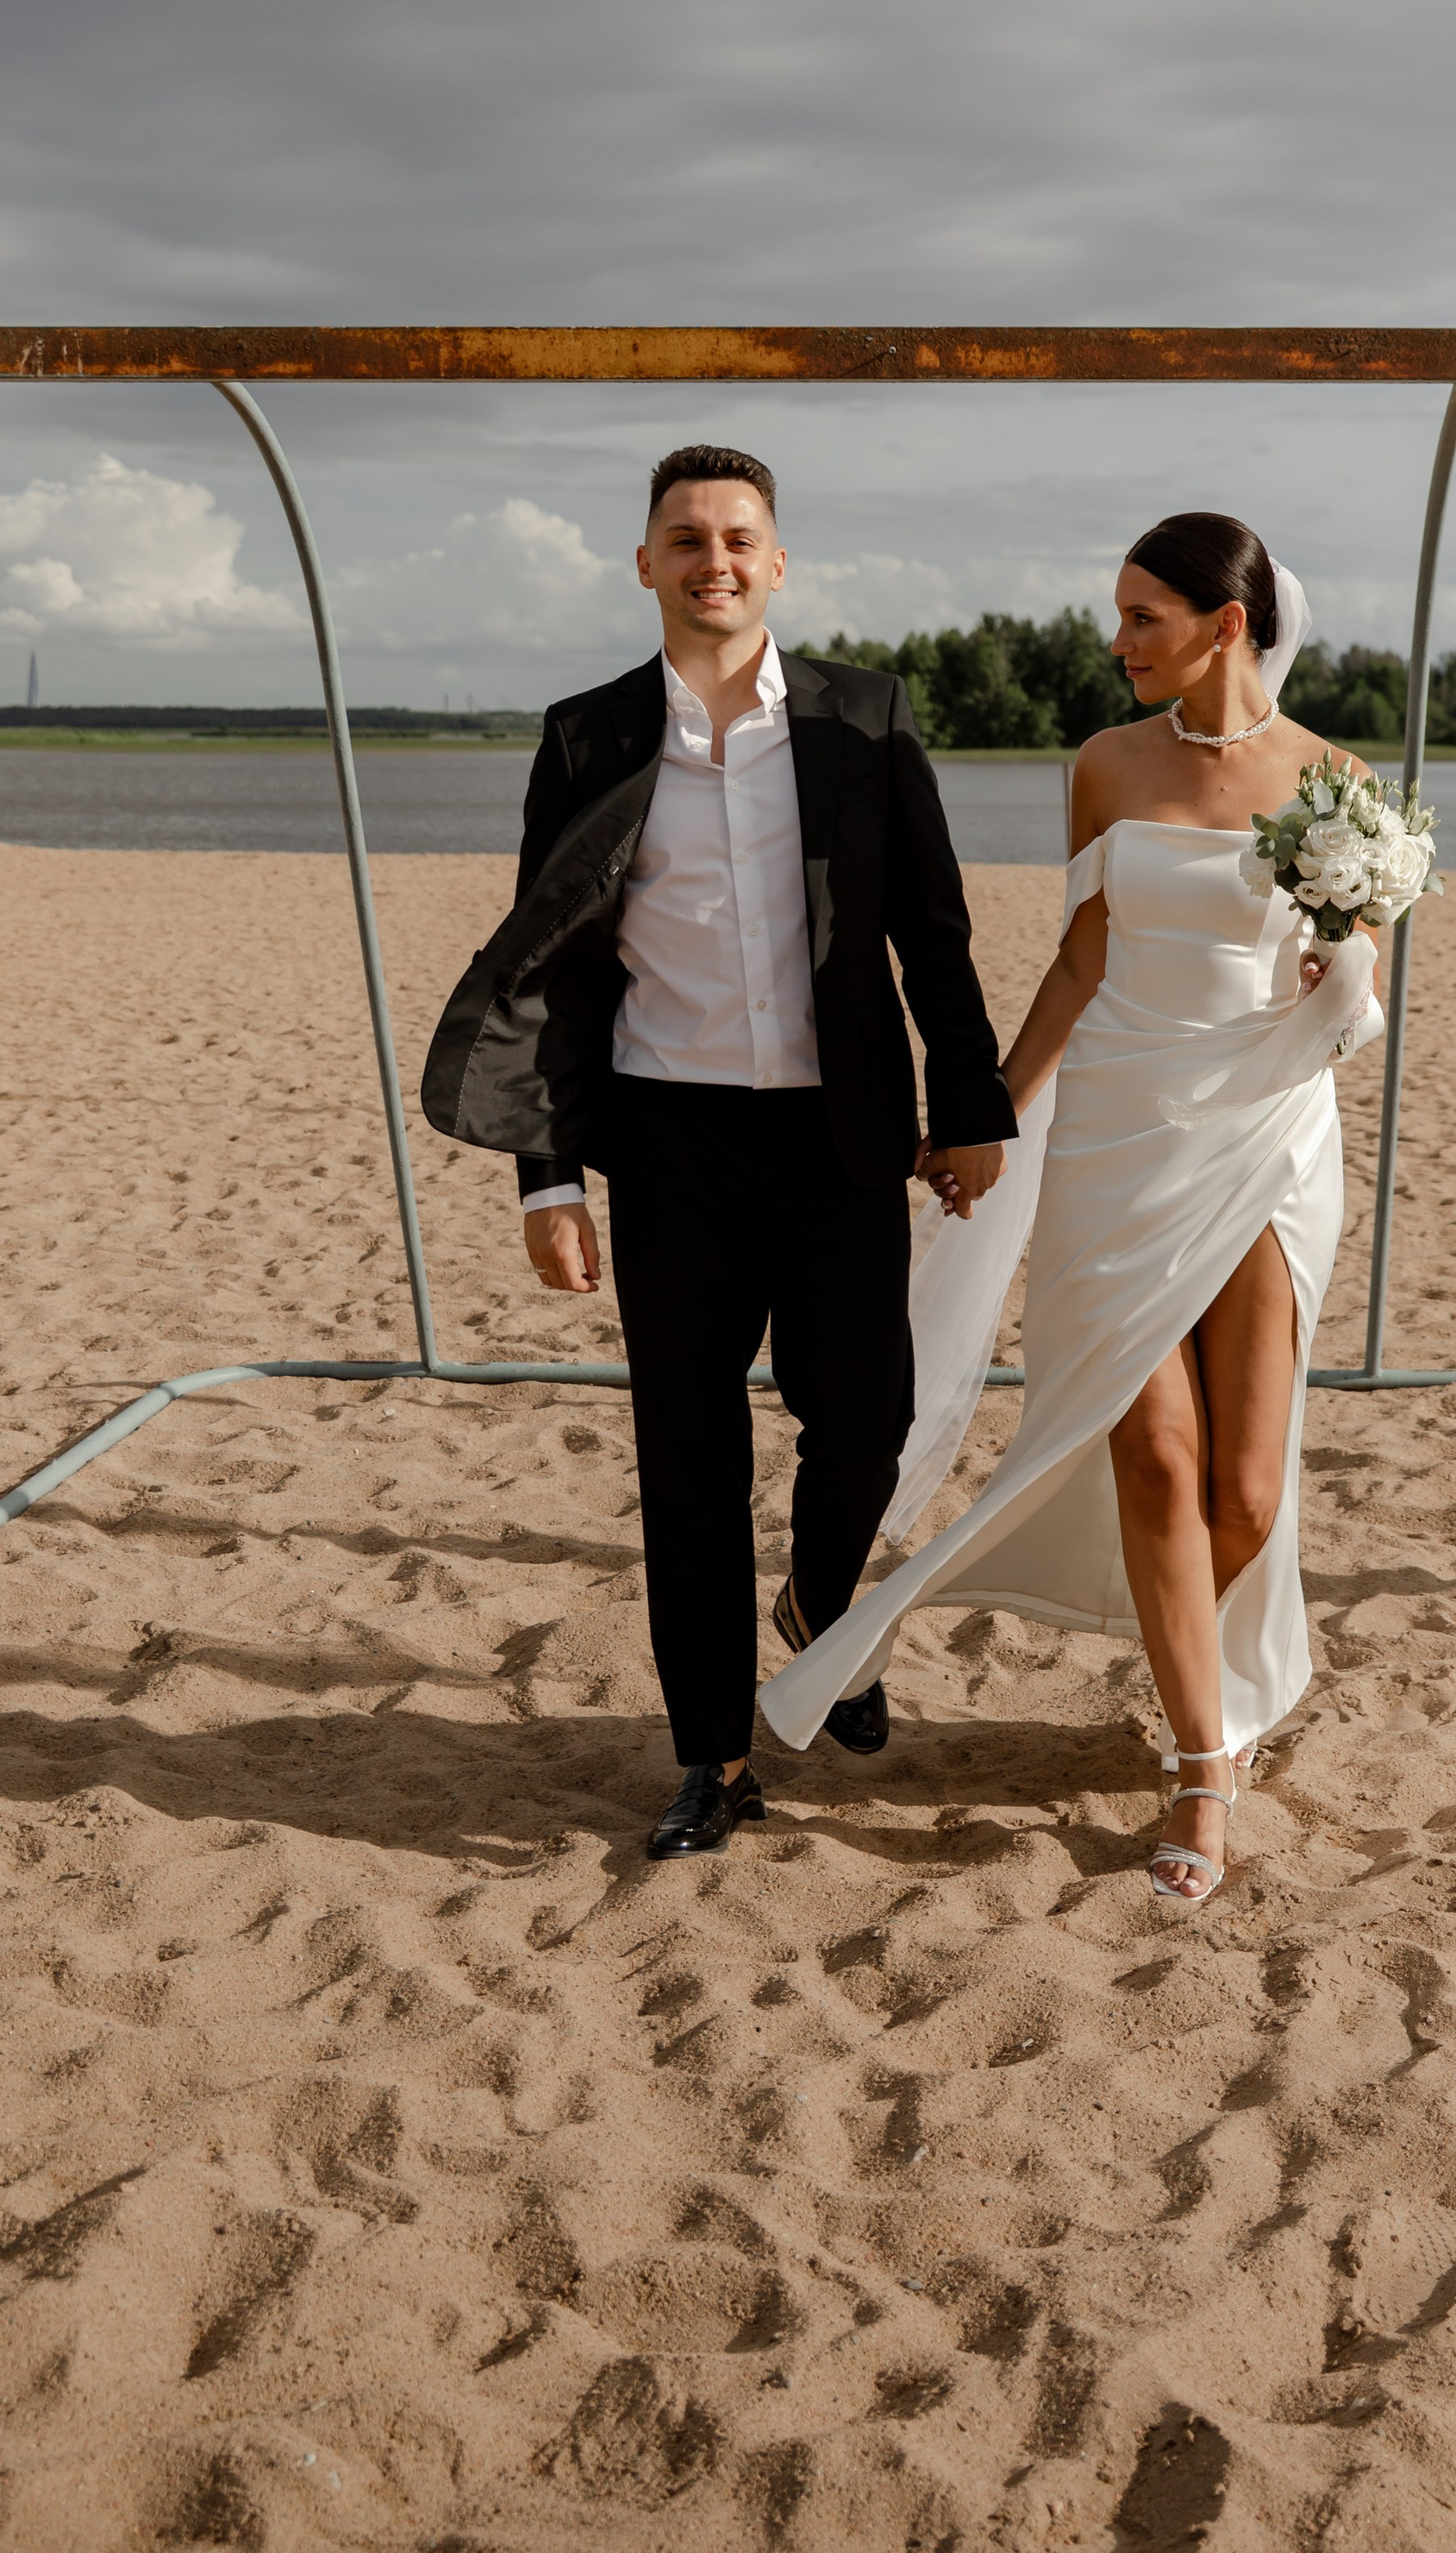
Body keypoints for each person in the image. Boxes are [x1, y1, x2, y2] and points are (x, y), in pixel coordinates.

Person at [759, 514, 1383, 1905]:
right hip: (1118, 1138)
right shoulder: (1104, 765)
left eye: (1145, 618)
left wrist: (1348, 989)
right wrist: (989, 1113)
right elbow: (1082, 954)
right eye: (1120, 616)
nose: (1119, 643)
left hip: (1270, 1144)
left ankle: (1166, 1666)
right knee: (1155, 1460)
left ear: (1227, 627)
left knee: (1247, 1489)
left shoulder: (1336, 781)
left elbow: (1355, 987)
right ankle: (1199, 1771)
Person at [421, 445, 1016, 1858]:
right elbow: (549, 969)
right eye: (685, 539)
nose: (715, 562)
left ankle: (819, 1608)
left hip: (842, 1139)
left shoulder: (865, 722)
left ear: (779, 562)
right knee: (687, 1460)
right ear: (645, 564)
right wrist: (549, 1176)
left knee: (863, 1419)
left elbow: (931, 933)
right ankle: (715, 1761)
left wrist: (974, 1105)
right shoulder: (585, 736)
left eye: (740, 538)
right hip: (669, 1141)